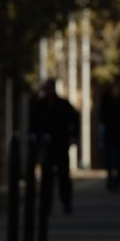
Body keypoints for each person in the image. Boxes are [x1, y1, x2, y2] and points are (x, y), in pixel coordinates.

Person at [28, 78, 79, 215]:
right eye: (45, 89)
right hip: (46, 147)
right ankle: (46, 203)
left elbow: (74, 120)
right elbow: (33, 125)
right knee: (47, 177)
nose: (47, 91)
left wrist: (73, 136)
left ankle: (66, 202)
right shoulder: (39, 106)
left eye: (49, 88)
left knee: (63, 176)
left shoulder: (63, 105)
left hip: (61, 145)